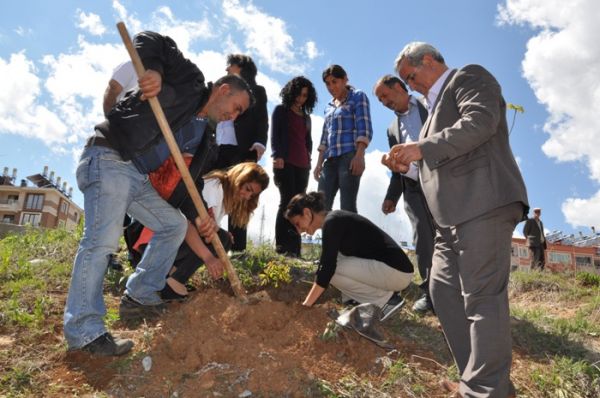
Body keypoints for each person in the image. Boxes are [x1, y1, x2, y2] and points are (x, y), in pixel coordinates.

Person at [63, 31, 254, 357]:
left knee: (173, 225)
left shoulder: (205, 140)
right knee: (102, 241)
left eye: (239, 115)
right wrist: (152, 71)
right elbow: (152, 40)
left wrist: (200, 216)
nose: (232, 117)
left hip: (138, 178)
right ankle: (84, 331)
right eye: (235, 108)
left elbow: (182, 190)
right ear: (223, 90)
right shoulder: (188, 82)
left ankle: (139, 295)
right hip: (111, 157)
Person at [387, 42, 528, 397]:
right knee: (443, 291)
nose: (410, 84)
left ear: (430, 61)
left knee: (482, 297)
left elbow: (480, 122)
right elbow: (439, 156)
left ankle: (484, 390)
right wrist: (410, 165)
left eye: (411, 76)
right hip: (448, 220)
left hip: (482, 202)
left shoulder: (469, 76)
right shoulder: (431, 111)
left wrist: (421, 149)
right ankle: (477, 379)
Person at [130, 162, 269, 300]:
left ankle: (172, 274)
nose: (246, 196)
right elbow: (187, 225)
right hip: (153, 242)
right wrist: (209, 257)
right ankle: (174, 283)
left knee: (223, 237)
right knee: (222, 238)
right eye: (247, 188)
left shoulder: (225, 200)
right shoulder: (215, 187)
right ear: (239, 177)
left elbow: (207, 234)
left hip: (169, 242)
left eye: (252, 194)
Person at [285, 191, 414, 321]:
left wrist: (306, 306)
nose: (299, 230)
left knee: (329, 271)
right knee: (334, 262)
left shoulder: (332, 222)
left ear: (307, 213)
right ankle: (353, 301)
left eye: (297, 223)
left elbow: (326, 269)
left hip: (397, 272)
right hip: (394, 272)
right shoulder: (334, 221)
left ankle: (386, 301)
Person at [374, 75, 435, 315]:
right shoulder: (391, 129)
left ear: (399, 87)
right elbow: (398, 168)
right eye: (380, 100)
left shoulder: (429, 104)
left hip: (443, 182)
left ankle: (459, 291)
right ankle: (432, 293)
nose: (384, 102)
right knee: (424, 239)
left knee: (450, 236)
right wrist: (392, 196)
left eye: (385, 96)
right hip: (413, 188)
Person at [215, 54, 269, 252]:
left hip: (242, 150)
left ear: (241, 67)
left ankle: (237, 249)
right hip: (218, 149)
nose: (227, 70)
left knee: (241, 197)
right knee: (216, 190)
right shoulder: (222, 88)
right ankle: (211, 242)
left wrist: (259, 144)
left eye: (230, 67)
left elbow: (262, 120)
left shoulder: (258, 91)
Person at [314, 65, 373, 213]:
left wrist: (359, 156)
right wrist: (319, 163)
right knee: (321, 205)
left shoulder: (358, 96)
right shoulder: (328, 107)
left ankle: (351, 236)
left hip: (349, 157)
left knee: (347, 205)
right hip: (330, 160)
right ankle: (329, 236)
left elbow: (364, 127)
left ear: (345, 79)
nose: (331, 86)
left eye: (335, 81)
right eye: (327, 83)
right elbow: (324, 137)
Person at [271, 76, 317, 257]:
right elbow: (275, 135)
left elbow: (308, 141)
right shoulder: (281, 111)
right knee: (286, 203)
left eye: (305, 96)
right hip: (285, 162)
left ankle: (295, 251)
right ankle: (282, 248)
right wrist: (277, 155)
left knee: (299, 206)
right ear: (292, 92)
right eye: (299, 94)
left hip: (303, 166)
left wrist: (309, 158)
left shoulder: (307, 118)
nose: (301, 98)